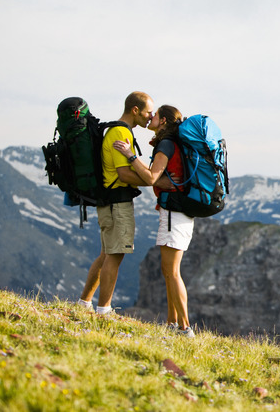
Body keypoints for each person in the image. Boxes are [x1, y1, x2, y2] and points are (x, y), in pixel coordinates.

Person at [114, 104, 197, 338]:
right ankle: (172, 323)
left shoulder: (166, 144)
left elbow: (151, 177)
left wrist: (130, 155)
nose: (151, 117)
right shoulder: (174, 144)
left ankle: (185, 327)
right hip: (178, 211)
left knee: (172, 271)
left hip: (173, 211)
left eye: (156, 115)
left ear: (164, 121)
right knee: (167, 269)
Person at [77, 91, 155, 316]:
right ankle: (104, 309)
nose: (150, 117)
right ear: (135, 110)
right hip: (117, 202)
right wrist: (153, 181)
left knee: (105, 254)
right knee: (115, 255)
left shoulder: (115, 130)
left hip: (107, 202)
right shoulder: (121, 133)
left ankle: (84, 303)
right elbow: (124, 174)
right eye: (148, 112)